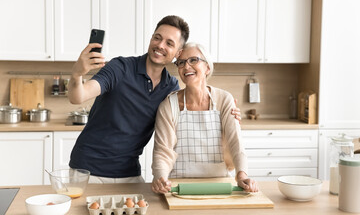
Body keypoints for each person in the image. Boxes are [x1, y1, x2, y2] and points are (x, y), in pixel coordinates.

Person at [67, 15, 241, 183]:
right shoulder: (120, 68)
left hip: (128, 172)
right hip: (87, 169)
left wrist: (228, 119)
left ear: (177, 53)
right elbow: (78, 96)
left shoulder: (171, 87)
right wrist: (77, 74)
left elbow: (186, 128)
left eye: (169, 43)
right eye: (157, 38)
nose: (160, 45)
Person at [151, 42, 258, 193]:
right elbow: (163, 151)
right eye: (181, 63)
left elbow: (236, 142)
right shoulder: (169, 105)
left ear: (207, 67)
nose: (186, 66)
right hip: (179, 186)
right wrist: (160, 178)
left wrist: (241, 174)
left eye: (193, 60)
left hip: (220, 184)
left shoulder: (224, 99)